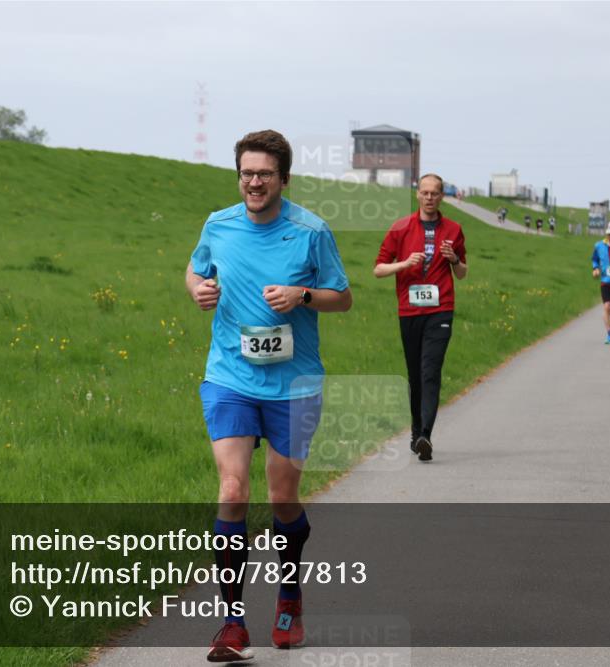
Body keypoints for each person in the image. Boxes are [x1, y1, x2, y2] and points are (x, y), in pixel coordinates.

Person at [186, 129, 352, 662]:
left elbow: (342, 298)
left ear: (283, 178)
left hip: (293, 384)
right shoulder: (219, 224)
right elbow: (196, 267)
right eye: (246, 173)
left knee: (282, 498)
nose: (254, 182)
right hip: (230, 376)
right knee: (233, 490)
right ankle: (232, 623)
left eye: (264, 174)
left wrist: (303, 295)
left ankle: (289, 596)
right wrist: (197, 288)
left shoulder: (310, 231)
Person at [375, 173, 467, 462]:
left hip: (441, 310)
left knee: (430, 371)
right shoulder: (400, 228)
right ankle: (416, 434)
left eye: (435, 193)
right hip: (409, 310)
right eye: (425, 193)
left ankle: (426, 433)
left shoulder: (453, 229)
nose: (429, 198)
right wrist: (404, 263)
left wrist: (453, 259)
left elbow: (463, 273)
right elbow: (378, 269)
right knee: (415, 374)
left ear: (442, 197)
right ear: (417, 194)